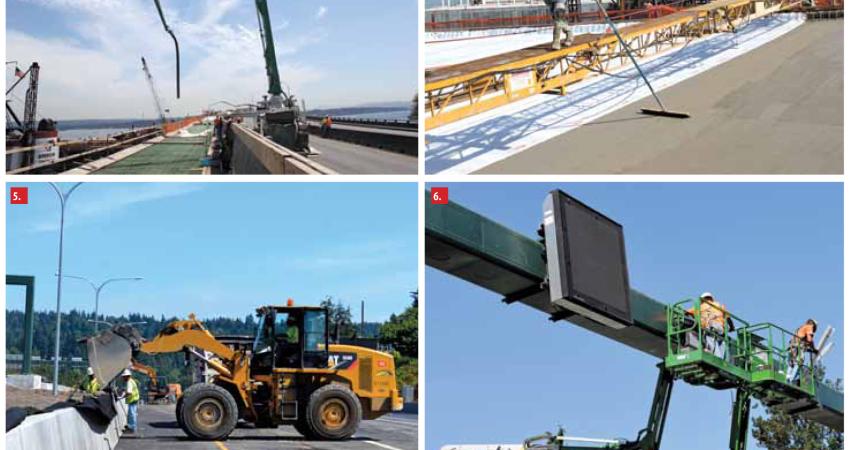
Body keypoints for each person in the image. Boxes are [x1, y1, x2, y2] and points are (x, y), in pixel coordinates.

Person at [686, 292, 731, 358]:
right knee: (721, 341)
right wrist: (730, 328)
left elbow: (686, 313)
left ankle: (715, 357)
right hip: (720, 328)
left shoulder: (700, 306)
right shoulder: (719, 305)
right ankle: (721, 358)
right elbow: (729, 320)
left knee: (710, 340)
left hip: (711, 326)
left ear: (702, 300)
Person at [787, 319, 818, 383]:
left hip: (792, 346)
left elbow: (801, 339)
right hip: (798, 347)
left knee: (792, 362)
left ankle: (788, 376)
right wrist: (814, 349)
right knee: (800, 361)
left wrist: (808, 348)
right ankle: (792, 380)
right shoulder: (809, 327)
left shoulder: (800, 328)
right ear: (813, 325)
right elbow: (810, 340)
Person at [119, 369, 140, 433]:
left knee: (131, 414)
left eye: (124, 377)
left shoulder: (129, 382)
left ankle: (132, 427)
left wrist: (122, 397)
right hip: (134, 399)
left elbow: (129, 392)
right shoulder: (131, 381)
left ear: (127, 376)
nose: (123, 378)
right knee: (131, 414)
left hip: (132, 400)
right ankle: (130, 426)